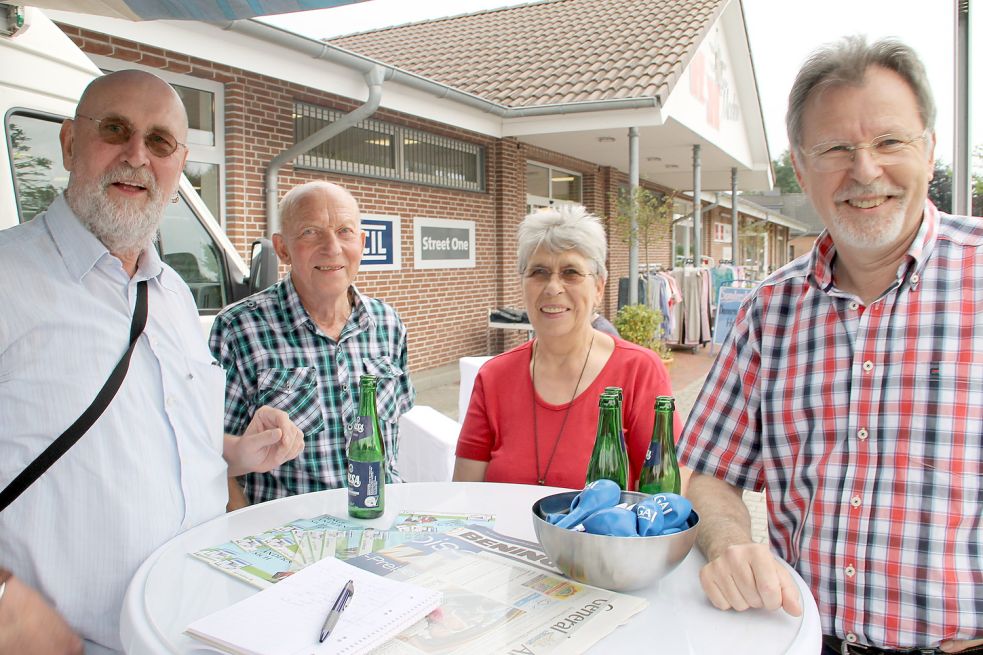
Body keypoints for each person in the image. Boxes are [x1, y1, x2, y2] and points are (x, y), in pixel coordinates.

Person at [677, 36, 982, 654]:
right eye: (836, 149)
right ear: (801, 163)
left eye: (889, 142)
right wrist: (733, 543)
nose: (865, 171)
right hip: (804, 640)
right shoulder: (769, 311)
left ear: (929, 148)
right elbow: (709, 473)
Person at [0, 70, 304, 654]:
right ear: (69, 143)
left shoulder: (172, 295)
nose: (137, 155)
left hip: (195, 629)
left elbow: (152, 430)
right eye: (115, 130)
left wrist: (234, 450)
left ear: (178, 163)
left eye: (160, 142)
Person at [210, 180, 414, 507]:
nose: (332, 248)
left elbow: (395, 436)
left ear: (361, 243)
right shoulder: (239, 329)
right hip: (291, 542)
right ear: (282, 248)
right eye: (310, 232)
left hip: (382, 525)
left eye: (344, 231)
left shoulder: (388, 324)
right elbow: (213, 456)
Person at [453, 204, 681, 488]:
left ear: (598, 287)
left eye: (571, 272)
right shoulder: (494, 377)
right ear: (522, 283)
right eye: (539, 272)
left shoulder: (638, 372)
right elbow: (464, 495)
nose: (552, 287)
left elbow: (666, 493)